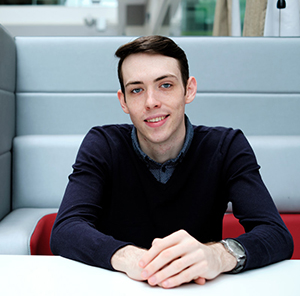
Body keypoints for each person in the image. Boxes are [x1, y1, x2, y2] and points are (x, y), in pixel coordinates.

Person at [50, 35, 293, 289]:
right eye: (136, 90)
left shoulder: (226, 146)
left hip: (199, 289)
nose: (151, 101)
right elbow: (66, 229)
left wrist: (218, 255)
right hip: (118, 288)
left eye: (165, 85)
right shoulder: (102, 144)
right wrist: (133, 258)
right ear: (123, 101)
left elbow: (276, 234)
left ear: (189, 89)